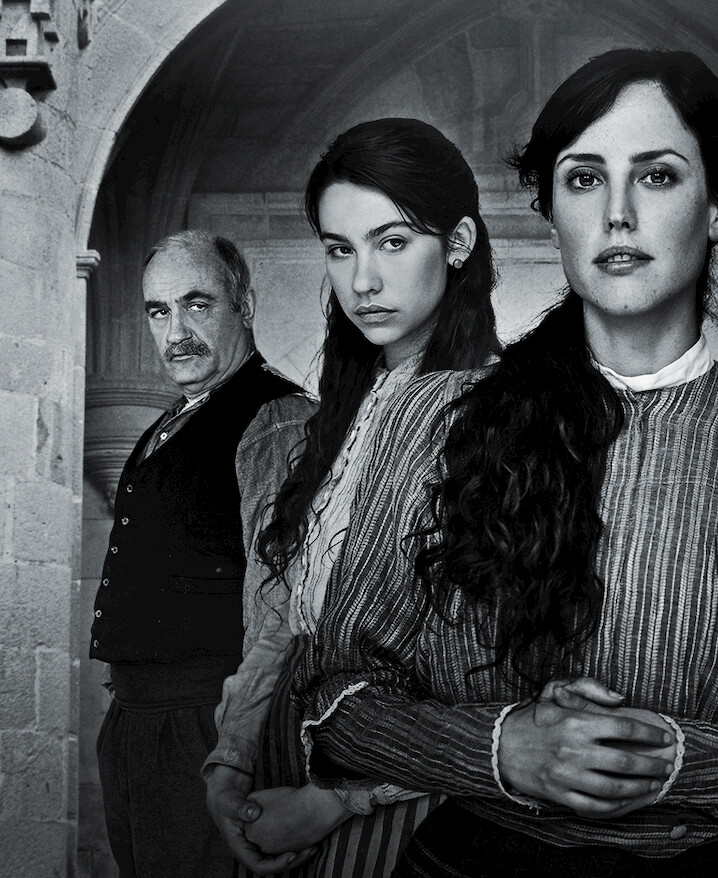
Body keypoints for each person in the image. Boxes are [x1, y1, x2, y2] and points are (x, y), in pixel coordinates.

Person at [290, 48, 718, 878]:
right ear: (550, 210)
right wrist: (503, 747)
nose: (618, 215)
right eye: (584, 180)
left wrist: (682, 763)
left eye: (656, 177)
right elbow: (335, 701)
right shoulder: (431, 418)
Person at [200, 118, 500, 877]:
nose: (363, 280)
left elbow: (499, 666)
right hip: (284, 746)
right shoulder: (339, 412)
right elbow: (287, 613)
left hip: (410, 782)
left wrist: (341, 797)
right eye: (340, 249)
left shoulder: (500, 415)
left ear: (458, 243)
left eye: (392, 242)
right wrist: (234, 756)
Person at [90, 229, 314, 877]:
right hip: (136, 719)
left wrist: (233, 751)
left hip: (202, 725)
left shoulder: (277, 417)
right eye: (159, 311)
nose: (176, 331)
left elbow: (284, 606)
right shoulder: (172, 420)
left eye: (197, 304)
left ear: (244, 304)